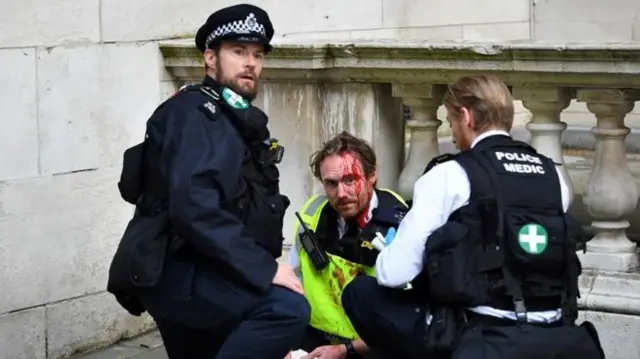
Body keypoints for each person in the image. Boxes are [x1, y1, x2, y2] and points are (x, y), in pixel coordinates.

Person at [341, 75, 605, 359]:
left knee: (361, 293)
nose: (452, 132)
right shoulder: (554, 176)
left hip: (483, 338)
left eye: (451, 121)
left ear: (466, 117)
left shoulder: (449, 175)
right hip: (555, 332)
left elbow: (393, 274)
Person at [107, 4, 310, 359]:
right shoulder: (198, 115)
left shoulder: (231, 117)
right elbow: (194, 207)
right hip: (178, 268)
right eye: (238, 51)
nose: (250, 63)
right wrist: (263, 269)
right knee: (285, 309)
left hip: (198, 267)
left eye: (257, 54)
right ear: (210, 58)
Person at [286, 132, 409, 359]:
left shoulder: (399, 225)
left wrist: (346, 350)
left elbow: (406, 321)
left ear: (371, 176)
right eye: (331, 184)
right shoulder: (311, 215)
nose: (341, 194)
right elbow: (294, 282)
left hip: (373, 345)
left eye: (350, 180)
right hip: (316, 339)